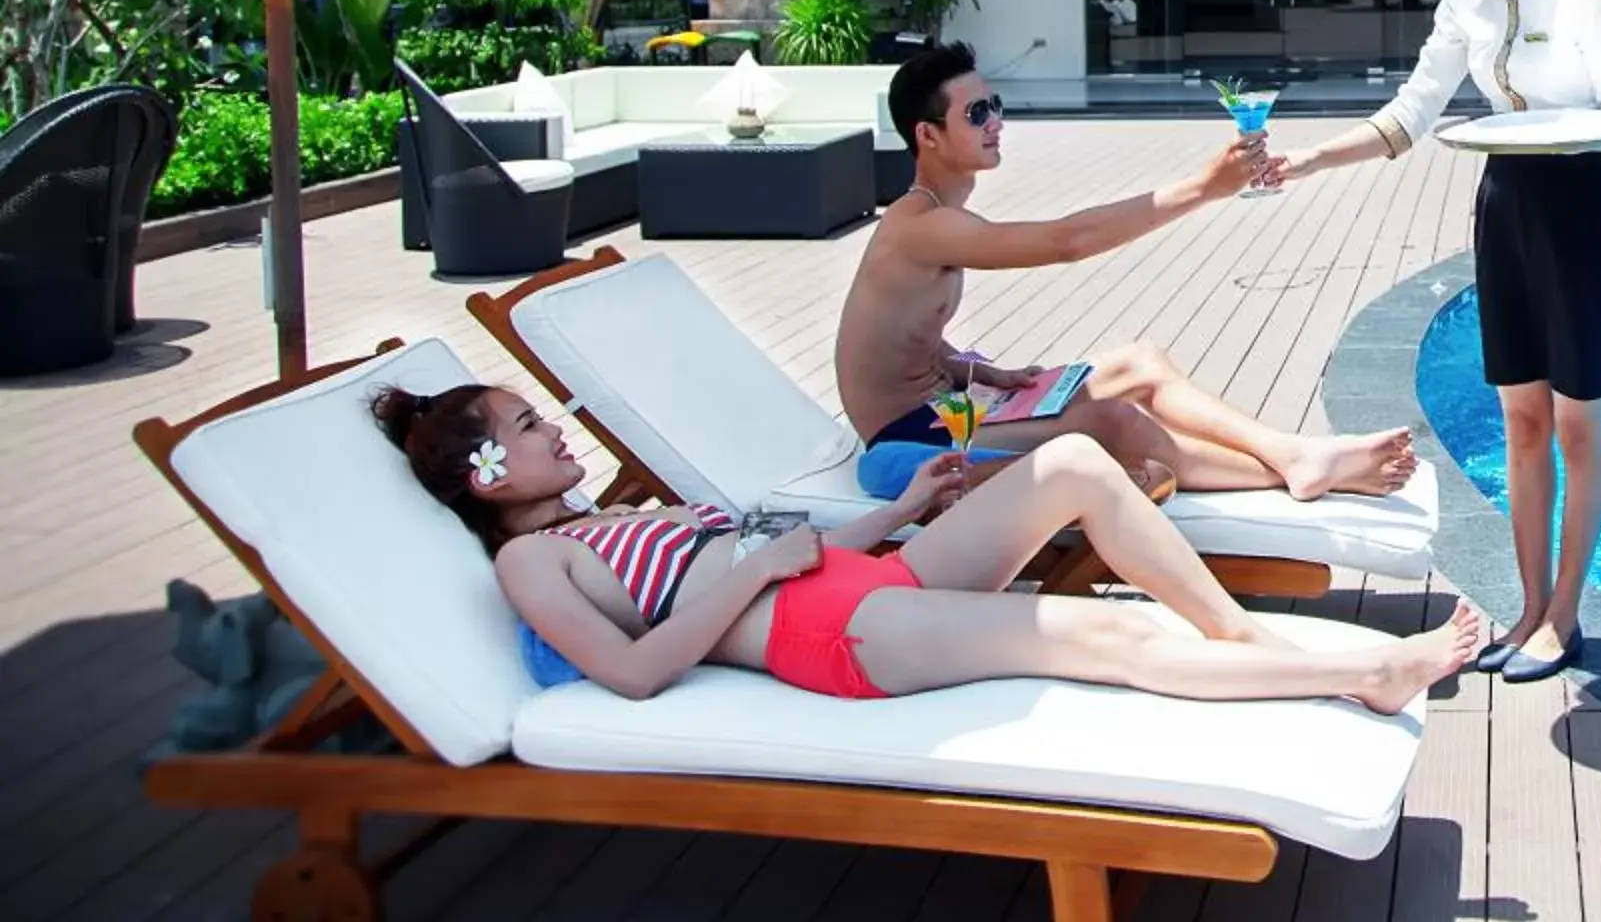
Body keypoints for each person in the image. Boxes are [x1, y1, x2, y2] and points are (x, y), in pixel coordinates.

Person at [373, 383, 1481, 708]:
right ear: (485, 475)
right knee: (1093, 628)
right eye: (526, 428)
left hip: (867, 574)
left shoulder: (615, 512)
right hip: (832, 631)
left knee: (1080, 467)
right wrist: (756, 568)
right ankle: (1361, 670)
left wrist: (900, 515)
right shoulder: (530, 561)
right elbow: (632, 669)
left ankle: (1242, 637)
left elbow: (787, 550)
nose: (550, 429)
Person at [1268, 0, 1601, 683]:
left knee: (1578, 423)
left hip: (1580, 204)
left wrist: (1556, 135)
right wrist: (1306, 160)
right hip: (1504, 203)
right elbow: (1412, 112)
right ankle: (1527, 609)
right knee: (1520, 421)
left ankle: (1566, 615)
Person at [837, 42, 1420, 503]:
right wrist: (1203, 188)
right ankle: (1289, 473)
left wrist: (983, 370)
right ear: (928, 135)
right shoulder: (921, 226)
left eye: (996, 106)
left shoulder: (940, 217)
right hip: (910, 441)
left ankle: (1292, 454)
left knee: (1140, 363)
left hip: (953, 407)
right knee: (1107, 417)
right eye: (976, 113)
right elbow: (1068, 241)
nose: (996, 122)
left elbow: (907, 333)